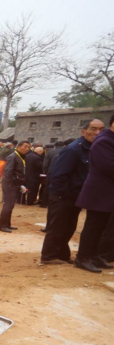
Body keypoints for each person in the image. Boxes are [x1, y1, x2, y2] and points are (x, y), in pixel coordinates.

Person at [40, 119, 105, 265]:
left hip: (76, 196)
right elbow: (58, 175)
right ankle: (49, 256)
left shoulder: (93, 149)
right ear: (83, 132)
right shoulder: (74, 149)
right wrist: (63, 194)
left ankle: (62, 255)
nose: (97, 133)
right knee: (58, 227)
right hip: (63, 195)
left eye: (101, 129)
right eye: (93, 129)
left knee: (69, 227)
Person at [73, 114, 114, 272]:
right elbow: (108, 166)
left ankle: (94, 255)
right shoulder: (104, 141)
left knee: (102, 226)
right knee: (93, 226)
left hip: (107, 193)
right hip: (99, 192)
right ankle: (82, 257)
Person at [0, 140, 30, 233]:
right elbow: (8, 172)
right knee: (8, 205)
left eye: (28, 147)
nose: (27, 149)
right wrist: (17, 182)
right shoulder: (13, 157)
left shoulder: (20, 156)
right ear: (18, 147)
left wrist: (20, 184)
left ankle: (7, 224)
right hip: (9, 184)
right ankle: (2, 225)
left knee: (11, 205)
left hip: (14, 184)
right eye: (25, 146)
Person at [39, 140, 66, 210]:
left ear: (55, 146)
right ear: (63, 145)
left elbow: (45, 164)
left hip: (50, 172)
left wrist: (45, 172)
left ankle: (44, 203)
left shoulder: (50, 152)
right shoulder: (66, 151)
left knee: (47, 188)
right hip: (63, 173)